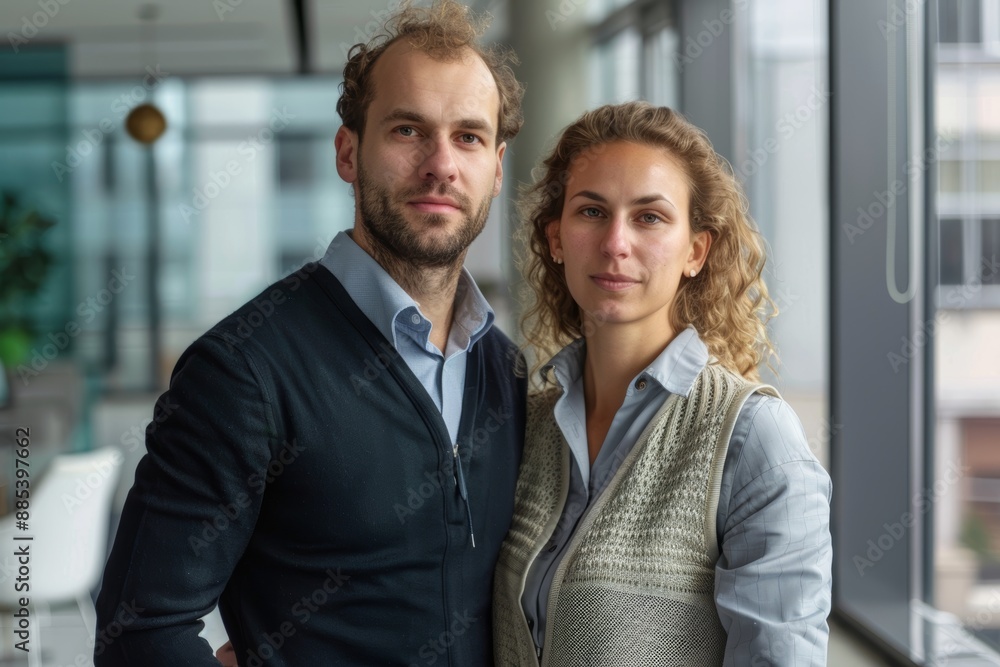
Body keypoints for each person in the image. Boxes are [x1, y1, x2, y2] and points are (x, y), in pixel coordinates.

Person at [95, 2, 526, 665]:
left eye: (468, 137)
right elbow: (142, 632)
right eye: (408, 130)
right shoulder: (245, 370)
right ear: (348, 152)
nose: (441, 164)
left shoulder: (507, 372)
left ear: (497, 168)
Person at [492, 101, 833, 666]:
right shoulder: (526, 425)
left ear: (695, 251)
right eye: (591, 212)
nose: (615, 243)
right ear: (556, 239)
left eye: (649, 217)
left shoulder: (752, 440)